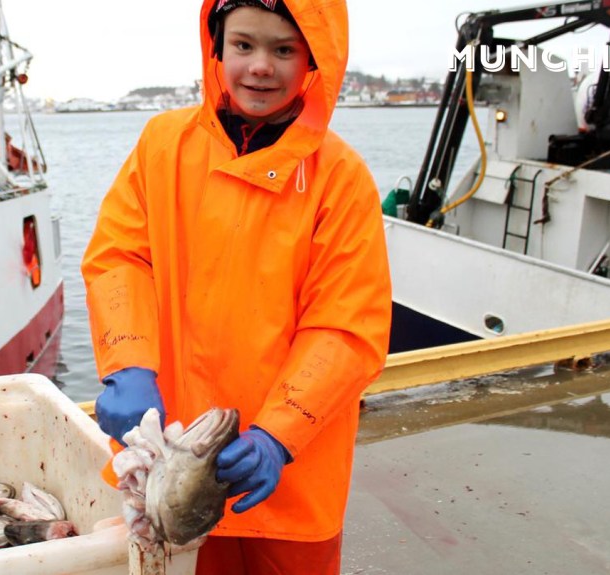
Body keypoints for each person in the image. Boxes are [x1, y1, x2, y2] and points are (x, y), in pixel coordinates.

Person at [81, 1, 391, 573]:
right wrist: (128, 363)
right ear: (216, 47)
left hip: (289, 478)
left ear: (314, 60)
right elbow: (122, 258)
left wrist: (280, 434)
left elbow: (346, 326)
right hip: (168, 454)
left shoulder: (341, 178)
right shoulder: (162, 145)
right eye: (244, 45)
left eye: (284, 50)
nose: (260, 68)